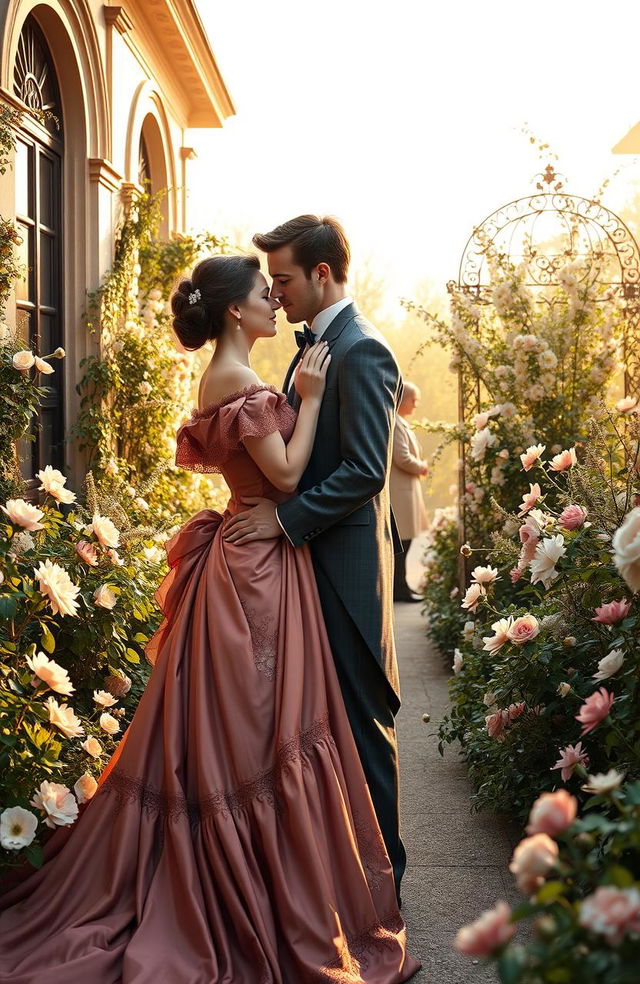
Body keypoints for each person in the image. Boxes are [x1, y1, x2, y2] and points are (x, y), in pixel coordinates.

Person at [0, 254, 420, 984]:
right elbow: (285, 475)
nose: (274, 304)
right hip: (252, 576)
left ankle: (277, 885)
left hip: (258, 563)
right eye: (265, 294)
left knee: (260, 731)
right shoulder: (239, 379)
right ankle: (256, 893)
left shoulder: (247, 375)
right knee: (258, 731)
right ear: (234, 311)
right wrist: (315, 398)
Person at [224, 215, 407, 900]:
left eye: (286, 280)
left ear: (322, 274)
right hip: (308, 575)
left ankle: (387, 892)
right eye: (270, 283)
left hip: (347, 578)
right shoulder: (313, 352)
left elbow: (364, 470)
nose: (278, 295)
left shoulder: (362, 350)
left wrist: (283, 521)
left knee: (364, 737)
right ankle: (338, 886)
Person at [389, 382, 429, 602]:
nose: (415, 405)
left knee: (405, 544)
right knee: (401, 545)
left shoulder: (401, 423)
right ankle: (400, 589)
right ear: (402, 399)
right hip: (400, 494)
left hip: (406, 491)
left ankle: (402, 587)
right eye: (413, 400)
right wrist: (421, 466)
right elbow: (402, 458)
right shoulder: (395, 423)